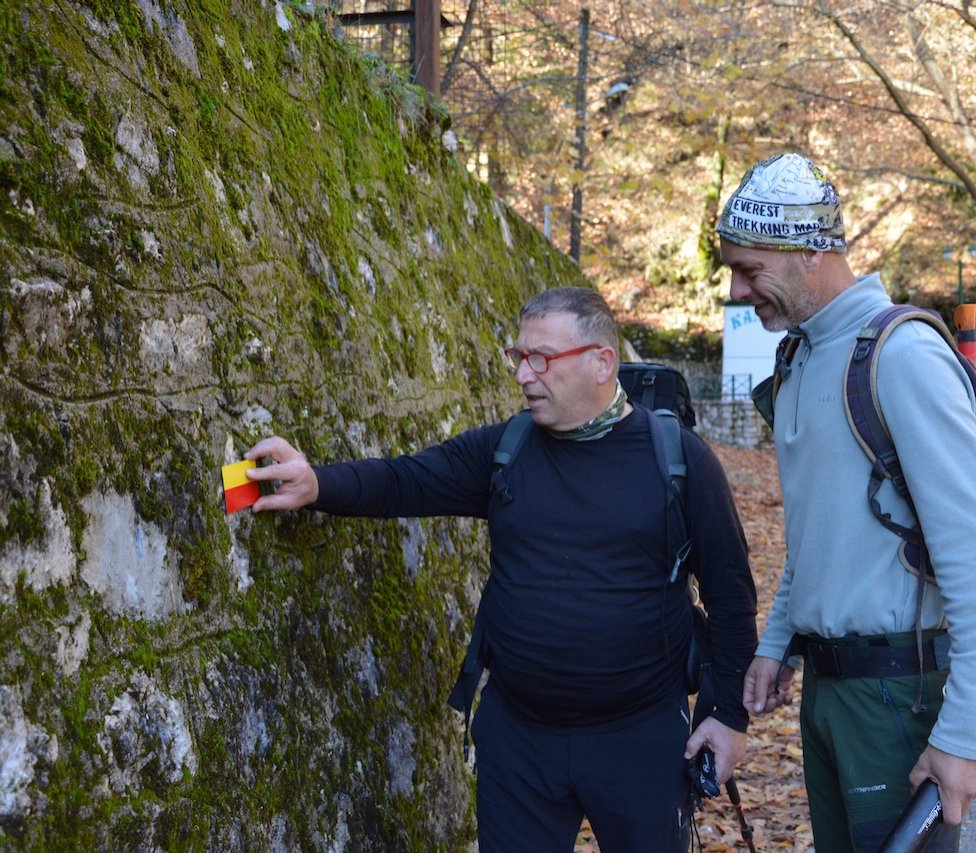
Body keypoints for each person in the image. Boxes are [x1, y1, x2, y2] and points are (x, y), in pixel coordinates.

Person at [243, 287, 758, 852]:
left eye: (541, 359)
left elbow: (730, 595)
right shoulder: (507, 449)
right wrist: (317, 483)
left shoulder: (679, 461)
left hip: (639, 739)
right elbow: (405, 480)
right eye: (518, 357)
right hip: (519, 743)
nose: (523, 375)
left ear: (601, 362)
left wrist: (727, 716)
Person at [720, 152, 976, 851]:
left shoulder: (901, 356)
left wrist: (968, 734)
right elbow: (820, 536)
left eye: (751, 268)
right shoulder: (799, 360)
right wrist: (776, 645)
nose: (739, 290)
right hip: (832, 694)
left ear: (811, 253)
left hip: (899, 695)